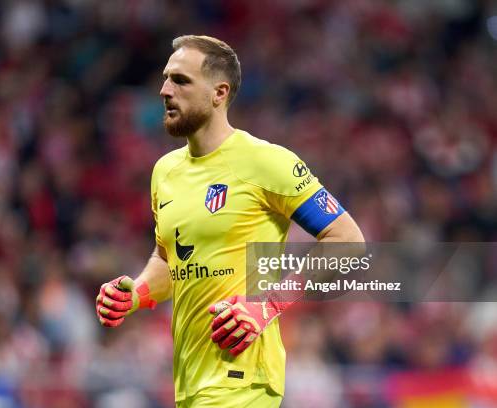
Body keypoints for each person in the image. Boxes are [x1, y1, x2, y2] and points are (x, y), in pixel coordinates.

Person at [95, 35, 364, 407]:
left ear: (219, 93)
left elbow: (347, 239)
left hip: (242, 376)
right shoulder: (165, 172)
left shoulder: (266, 161)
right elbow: (171, 261)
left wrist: (268, 305)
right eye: (166, 78)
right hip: (190, 381)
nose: (164, 90)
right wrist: (136, 294)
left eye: (181, 80)